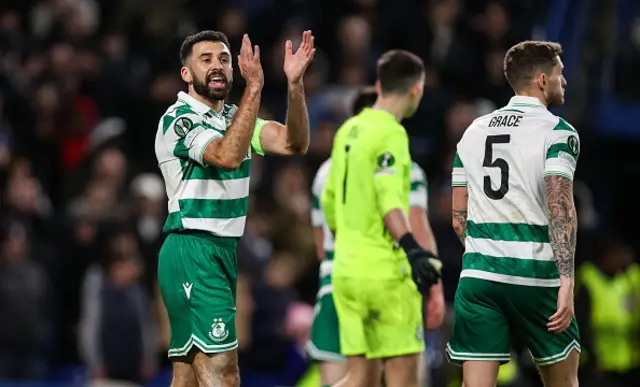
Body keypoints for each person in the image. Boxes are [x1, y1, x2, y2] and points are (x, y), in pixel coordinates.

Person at [154, 30, 315, 387]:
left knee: (187, 376)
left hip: (222, 251)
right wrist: (254, 89)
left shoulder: (233, 117)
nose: (217, 66)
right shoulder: (179, 119)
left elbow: (295, 143)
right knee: (223, 373)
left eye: (224, 59)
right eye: (206, 59)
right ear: (186, 73)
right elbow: (226, 156)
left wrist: (294, 85)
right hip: (193, 247)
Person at [446, 41, 581, 387]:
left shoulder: (472, 132)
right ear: (540, 79)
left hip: (479, 277)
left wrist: (486, 253)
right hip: (535, 274)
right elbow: (560, 207)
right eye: (559, 74)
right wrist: (566, 279)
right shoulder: (558, 132)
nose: (563, 81)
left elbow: (458, 215)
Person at [306, 86, 445, 386]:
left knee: (347, 379)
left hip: (337, 283)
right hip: (387, 280)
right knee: (406, 378)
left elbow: (320, 247)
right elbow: (418, 228)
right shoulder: (404, 166)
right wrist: (435, 287)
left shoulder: (326, 172)